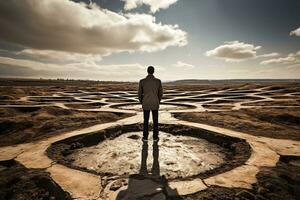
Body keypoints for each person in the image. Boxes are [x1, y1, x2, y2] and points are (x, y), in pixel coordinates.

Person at [138, 66, 163, 142]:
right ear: (153, 71)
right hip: (155, 103)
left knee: (146, 120)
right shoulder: (158, 81)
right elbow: (161, 93)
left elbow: (139, 94)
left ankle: (145, 137)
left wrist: (142, 101)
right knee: (155, 121)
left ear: (147, 71)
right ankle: (155, 137)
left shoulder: (142, 81)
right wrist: (158, 100)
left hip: (146, 103)